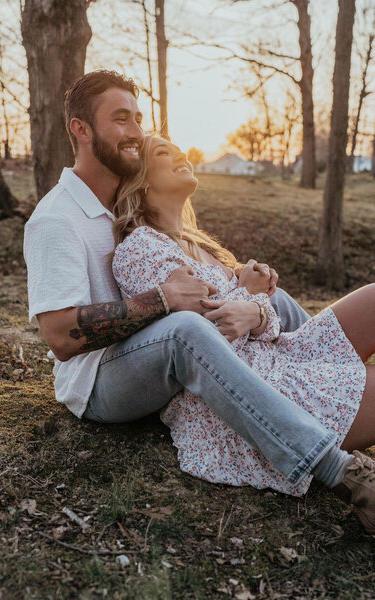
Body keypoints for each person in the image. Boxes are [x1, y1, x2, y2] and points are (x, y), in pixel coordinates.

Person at [23, 70, 375, 536]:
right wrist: (163, 299)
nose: (134, 132)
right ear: (80, 129)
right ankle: (336, 469)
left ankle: (318, 381)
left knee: (274, 304)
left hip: (161, 350)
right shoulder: (56, 218)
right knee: (184, 331)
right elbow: (60, 336)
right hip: (98, 380)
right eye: (120, 119)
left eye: (137, 119)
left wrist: (240, 284)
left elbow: (189, 272)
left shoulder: (118, 206)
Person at [111, 133, 375, 531]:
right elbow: (202, 330)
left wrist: (255, 306)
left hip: (277, 356)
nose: (181, 153)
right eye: (163, 153)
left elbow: (258, 321)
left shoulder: (202, 249)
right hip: (245, 391)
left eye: (178, 147)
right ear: (143, 181)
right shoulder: (140, 248)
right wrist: (250, 298)